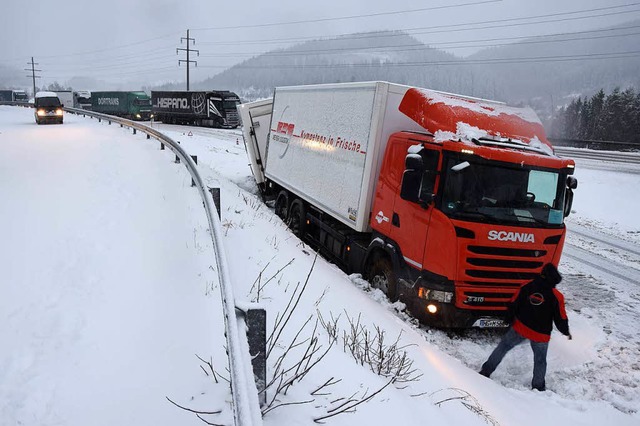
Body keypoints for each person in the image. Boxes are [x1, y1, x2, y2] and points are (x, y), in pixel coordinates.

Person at [479, 263, 572, 391]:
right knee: (540, 361)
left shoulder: (527, 285)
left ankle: (486, 371)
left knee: (503, 347)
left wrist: (509, 318)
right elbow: (561, 317)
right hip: (541, 335)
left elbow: (513, 303)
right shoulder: (557, 296)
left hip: (521, 328)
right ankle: (538, 387)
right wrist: (566, 331)